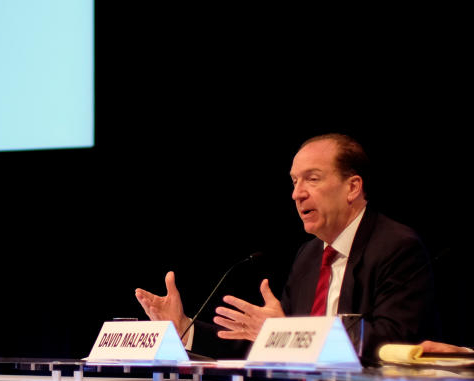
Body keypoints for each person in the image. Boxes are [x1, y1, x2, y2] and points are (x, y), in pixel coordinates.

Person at [135, 133, 439, 361]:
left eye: (312, 179)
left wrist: (289, 333)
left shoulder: (397, 247)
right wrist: (185, 327)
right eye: (294, 182)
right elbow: (266, 341)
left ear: (352, 187)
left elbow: (391, 343)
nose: (297, 194)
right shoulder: (309, 257)